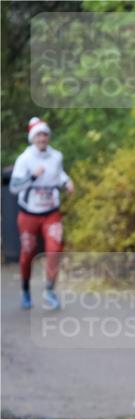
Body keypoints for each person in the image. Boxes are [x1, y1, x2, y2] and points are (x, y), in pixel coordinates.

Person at [9, 117, 74, 310]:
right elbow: (13, 187)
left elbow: (59, 174)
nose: (42, 138)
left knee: (54, 250)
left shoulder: (56, 156)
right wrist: (32, 176)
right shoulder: (24, 159)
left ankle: (49, 290)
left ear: (48, 136)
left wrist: (67, 182)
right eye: (38, 134)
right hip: (28, 215)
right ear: (32, 138)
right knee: (27, 254)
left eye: (45, 134)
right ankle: (25, 289)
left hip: (51, 213)